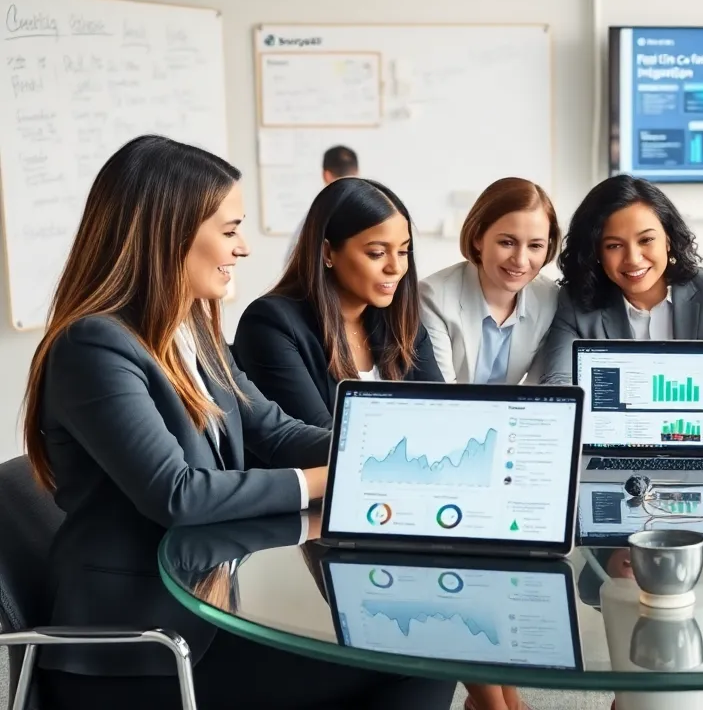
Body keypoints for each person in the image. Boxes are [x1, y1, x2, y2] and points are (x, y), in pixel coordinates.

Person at [26, 135, 456, 710]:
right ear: (168, 232)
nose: (245, 248)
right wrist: (338, 474)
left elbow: (271, 431)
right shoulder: (95, 346)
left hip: (208, 607)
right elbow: (177, 494)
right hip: (141, 647)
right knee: (414, 661)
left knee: (417, 647)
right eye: (229, 230)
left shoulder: (192, 333)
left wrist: (396, 450)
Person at [233, 178, 442, 429]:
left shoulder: (402, 326)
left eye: (403, 252)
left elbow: (441, 417)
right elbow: (318, 437)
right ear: (327, 252)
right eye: (377, 253)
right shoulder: (270, 323)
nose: (396, 268)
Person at [536, 175, 703, 385]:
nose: (633, 259)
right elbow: (558, 384)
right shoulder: (574, 304)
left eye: (646, 240)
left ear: (668, 239)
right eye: (614, 245)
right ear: (596, 253)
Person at [420, 177, 561, 384]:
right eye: (507, 242)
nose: (520, 261)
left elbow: (538, 390)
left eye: (535, 246)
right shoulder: (433, 298)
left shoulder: (550, 299)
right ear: (478, 238)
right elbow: (442, 397)